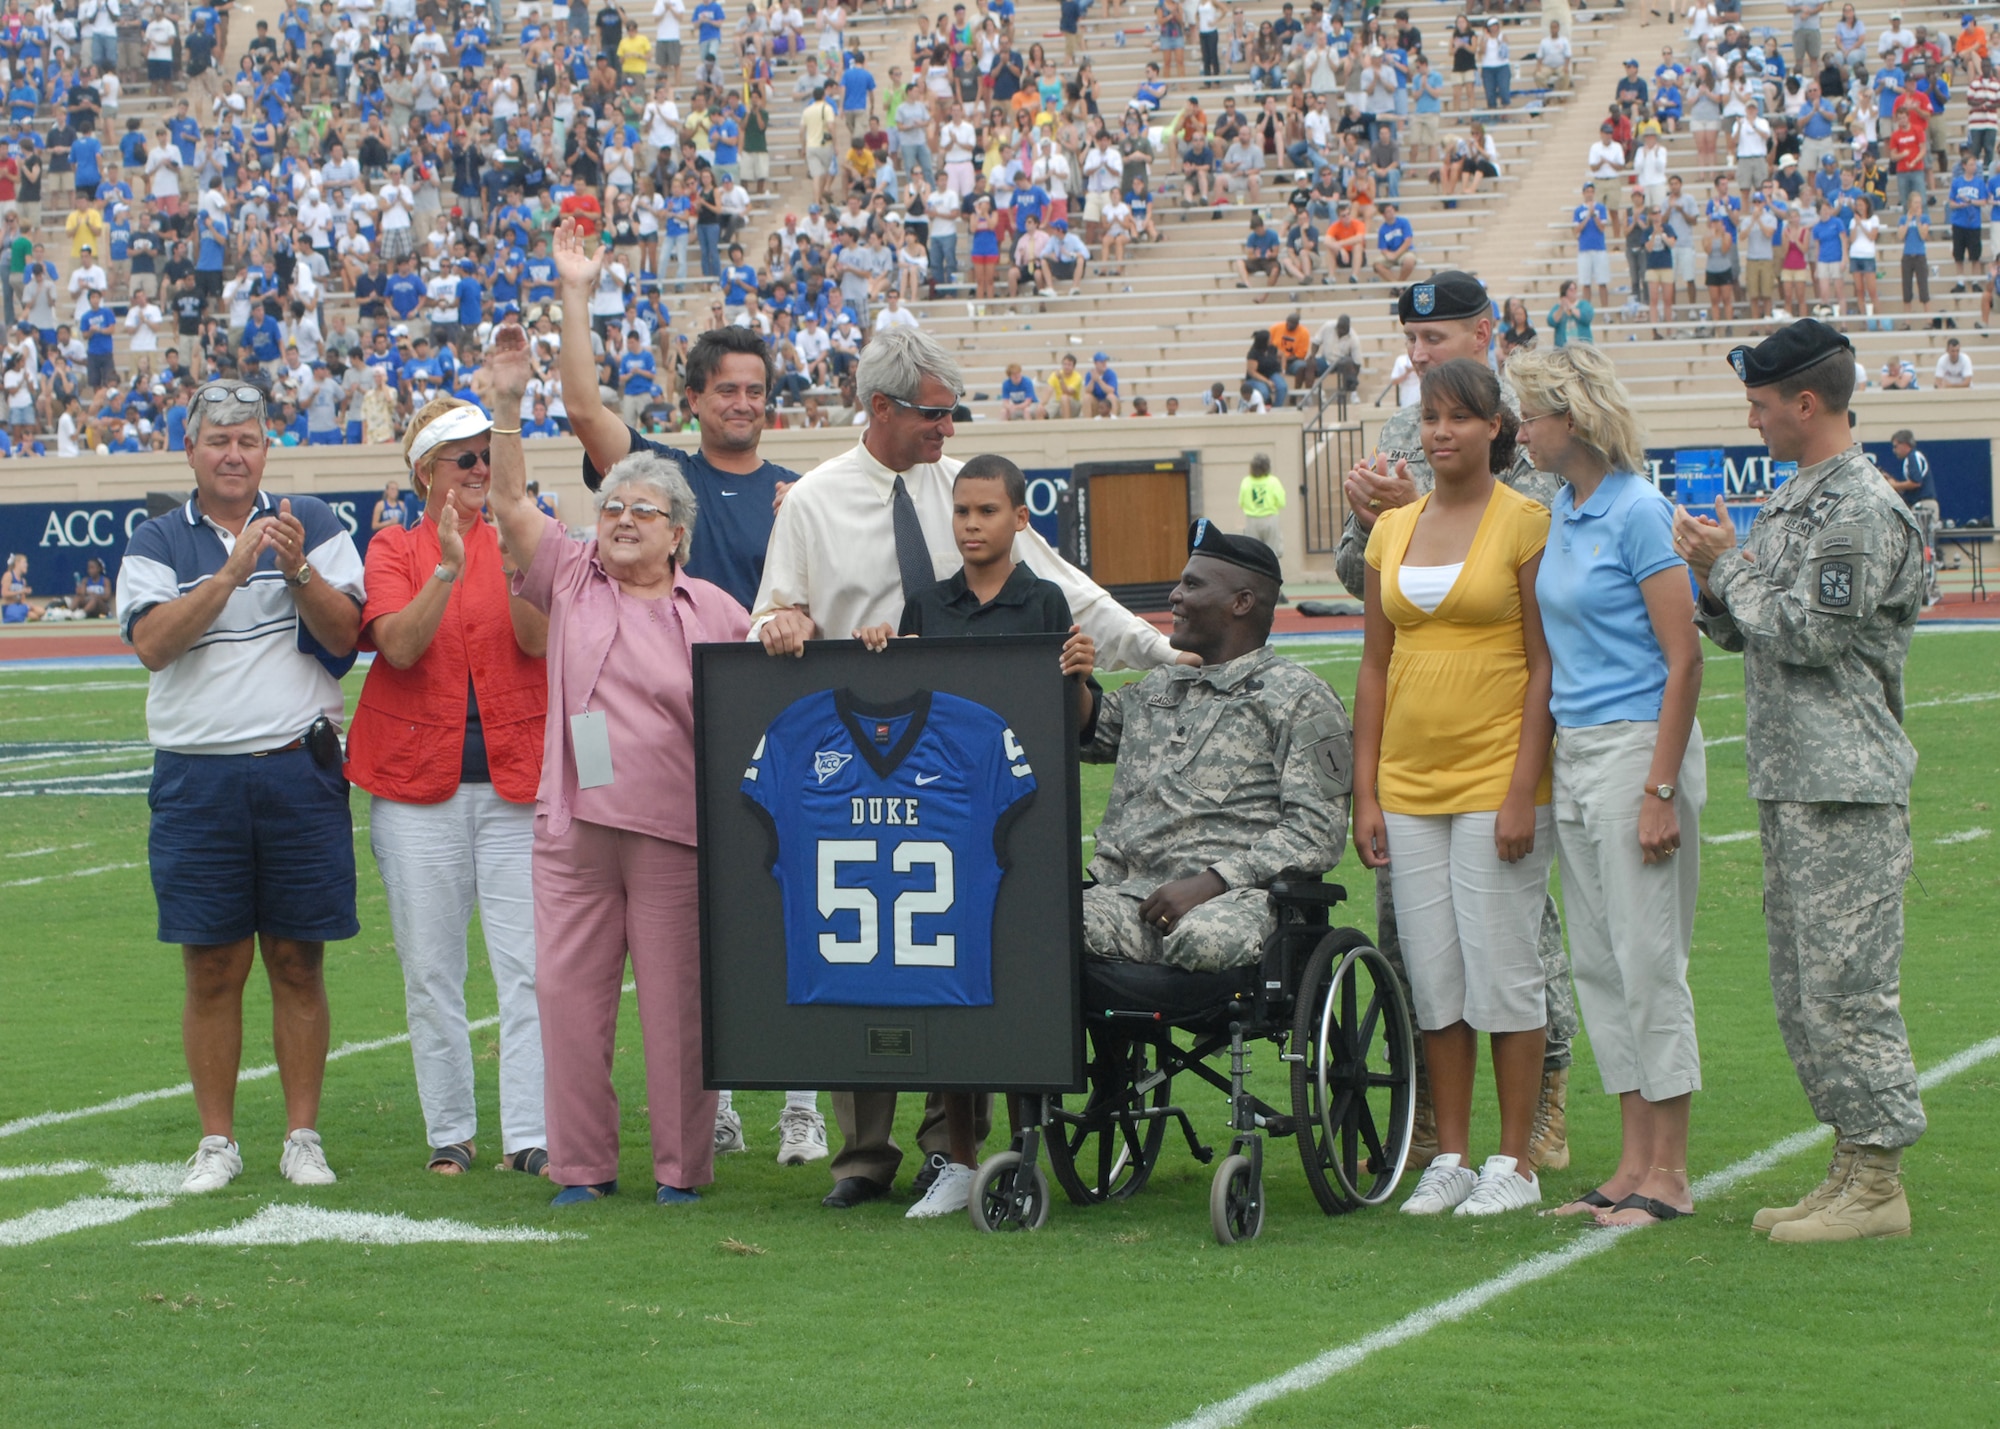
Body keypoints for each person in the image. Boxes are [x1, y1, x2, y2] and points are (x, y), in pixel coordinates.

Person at [749, 326, 1179, 1210]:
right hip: (857, 762)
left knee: (958, 937)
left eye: (953, 414)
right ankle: (863, 1156)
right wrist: (782, 625)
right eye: (934, 414)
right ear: (881, 407)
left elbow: (1070, 589)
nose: (948, 429)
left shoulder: (971, 490)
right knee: (861, 939)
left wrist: (1171, 656)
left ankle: (954, 1145)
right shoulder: (815, 503)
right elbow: (772, 615)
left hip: (959, 757)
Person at [550, 220, 825, 1164]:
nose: (742, 402)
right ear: (696, 399)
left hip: (772, 726)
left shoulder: (804, 491)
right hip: (670, 742)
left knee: (787, 909)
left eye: (756, 390)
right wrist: (577, 294)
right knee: (691, 937)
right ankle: (719, 1105)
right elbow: (585, 408)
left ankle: (801, 1097)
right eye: (727, 389)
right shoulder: (662, 480)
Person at [481, 318, 751, 1208]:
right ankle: (582, 1168)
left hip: (675, 833)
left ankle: (681, 1170)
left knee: (677, 1011)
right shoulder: (568, 577)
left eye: (644, 512)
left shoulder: (714, 607)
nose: (624, 522)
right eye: (613, 509)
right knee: (568, 1004)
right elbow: (513, 506)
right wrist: (510, 405)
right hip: (575, 833)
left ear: (678, 533)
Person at [1674, 320, 1926, 1242]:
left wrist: (1724, 566)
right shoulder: (1795, 501)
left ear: (1806, 403)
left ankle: (1879, 1178)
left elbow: (1812, 636)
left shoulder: (1858, 506)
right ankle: (1851, 1160)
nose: (1754, 419)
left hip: (1846, 782)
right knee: (1803, 984)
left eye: (1762, 403)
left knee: (1848, 984)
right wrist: (1719, 580)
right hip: (1795, 778)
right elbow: (1748, 628)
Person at [1334, 274, 1577, 1174]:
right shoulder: (1402, 436)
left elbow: (1551, 623)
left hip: (1495, 758)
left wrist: (1523, 781)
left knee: (1515, 948)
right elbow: (1365, 602)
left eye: (1437, 338)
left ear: (1484, 332)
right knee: (1427, 963)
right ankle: (1441, 1134)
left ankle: (1539, 1112)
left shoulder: (1542, 431)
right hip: (1411, 769)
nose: (1422, 359)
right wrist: (1365, 517)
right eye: (1412, 341)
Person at [114, 381, 366, 1194]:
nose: (234, 453)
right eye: (218, 439)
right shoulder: (156, 538)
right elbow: (153, 644)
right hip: (198, 777)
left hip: (298, 766)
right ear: (189, 451)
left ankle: (303, 1134)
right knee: (212, 966)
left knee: (298, 959)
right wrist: (229, 573)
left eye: (248, 439)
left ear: (267, 450)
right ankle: (216, 1140)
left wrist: (294, 571)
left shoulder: (315, 524)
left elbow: (345, 636)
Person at [852, 455, 1099, 1219]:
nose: (970, 525)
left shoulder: (1046, 601)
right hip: (945, 823)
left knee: (1023, 983)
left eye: (987, 511)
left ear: (1020, 519)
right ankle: (958, 1159)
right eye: (961, 512)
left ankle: (1020, 1148)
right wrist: (878, 651)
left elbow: (1079, 726)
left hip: (1026, 822)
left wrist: (1082, 678)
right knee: (950, 990)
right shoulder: (928, 602)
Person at [1511, 347, 1708, 1228]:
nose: (1523, 431)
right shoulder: (1565, 507)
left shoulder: (1638, 510)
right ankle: (1632, 1161)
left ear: (1574, 419)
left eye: (1532, 416)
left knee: (1648, 956)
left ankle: (1670, 1171)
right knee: (1596, 960)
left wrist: (1660, 786)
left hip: (1637, 749)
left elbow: (1684, 656)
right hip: (1580, 750)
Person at [345, 397, 552, 1180]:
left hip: (514, 782)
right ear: (426, 472)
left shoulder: (521, 541)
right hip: (413, 784)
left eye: (486, 458)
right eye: (464, 460)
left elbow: (536, 639)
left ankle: (529, 1131)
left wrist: (507, 554)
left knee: (527, 966)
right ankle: (451, 1132)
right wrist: (447, 570)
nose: (479, 471)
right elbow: (397, 646)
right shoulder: (394, 548)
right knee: (431, 969)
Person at [1080, 521, 1350, 972]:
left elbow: (1316, 832)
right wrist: (1071, 673)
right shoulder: (1160, 686)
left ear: (1241, 602)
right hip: (1131, 897)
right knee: (1047, 927)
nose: (1174, 596)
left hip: (1237, 901)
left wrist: (1213, 881)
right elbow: (1090, 730)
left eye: (1192, 584)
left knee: (1203, 940)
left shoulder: (1298, 699)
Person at [1888, 426, 1943, 605]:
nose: (1894, 450)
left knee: (1925, 546)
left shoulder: (1914, 457)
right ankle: (1926, 587)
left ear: (1905, 445)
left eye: (1896, 446)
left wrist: (1895, 486)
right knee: (1921, 546)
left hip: (1924, 507)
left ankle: (1929, 589)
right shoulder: (1911, 460)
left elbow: (1916, 482)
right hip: (1921, 505)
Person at [1238, 451, 1286, 559]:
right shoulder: (1273, 482)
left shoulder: (1246, 482)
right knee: (1272, 553)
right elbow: (1282, 502)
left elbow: (1241, 503)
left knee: (1253, 553)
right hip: (1270, 519)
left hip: (1252, 520)